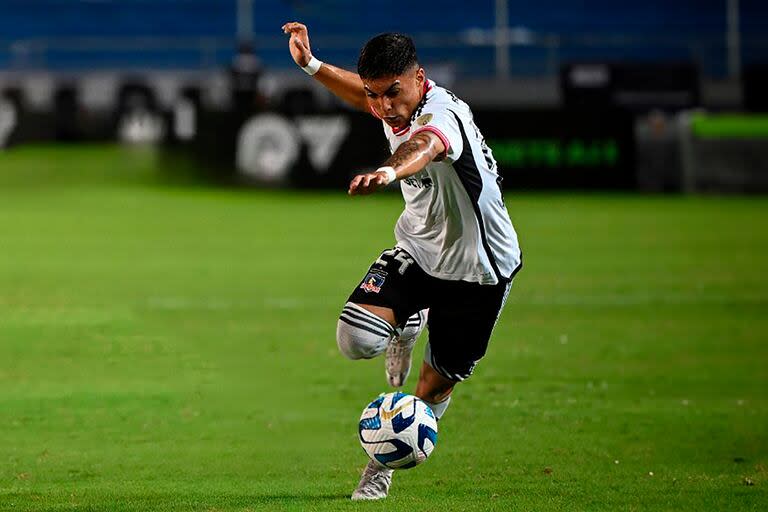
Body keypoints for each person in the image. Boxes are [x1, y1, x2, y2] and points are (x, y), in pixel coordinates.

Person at [282, 22, 522, 500]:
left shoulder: (443, 114)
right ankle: (407, 322)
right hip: (418, 248)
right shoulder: (389, 103)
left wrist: (390, 169)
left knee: (431, 391)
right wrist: (311, 64)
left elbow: (426, 145)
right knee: (354, 339)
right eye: (376, 96)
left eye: (393, 93)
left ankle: (379, 467)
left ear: (419, 77)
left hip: (478, 272)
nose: (384, 106)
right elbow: (363, 96)